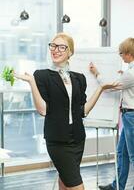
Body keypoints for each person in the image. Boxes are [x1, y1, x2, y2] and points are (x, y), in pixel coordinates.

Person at [14, 33, 119, 190]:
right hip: (57, 141)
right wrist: (31, 83)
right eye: (53, 46)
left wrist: (101, 89)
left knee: (65, 182)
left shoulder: (79, 78)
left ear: (70, 52)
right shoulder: (42, 75)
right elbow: (43, 110)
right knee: (77, 186)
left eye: (61, 47)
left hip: (77, 139)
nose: (56, 50)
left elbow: (83, 111)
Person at [89, 37, 134, 190]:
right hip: (128, 117)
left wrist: (96, 73)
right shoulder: (130, 71)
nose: (120, 56)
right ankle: (117, 186)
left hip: (131, 117)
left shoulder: (131, 73)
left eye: (121, 53)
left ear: (129, 53)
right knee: (122, 153)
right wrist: (124, 74)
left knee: (133, 156)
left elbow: (108, 87)